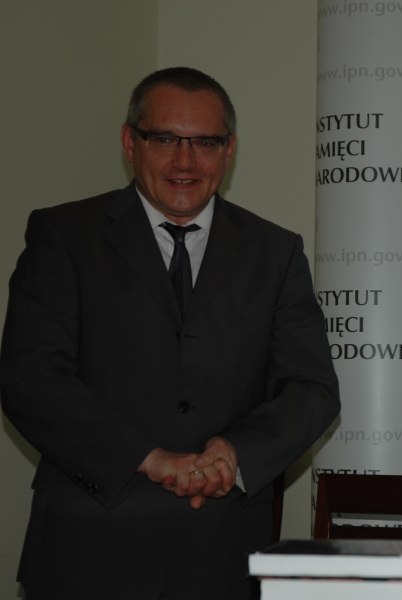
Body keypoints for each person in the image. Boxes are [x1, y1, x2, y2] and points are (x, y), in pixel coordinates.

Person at [0, 67, 340, 599]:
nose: (185, 162)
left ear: (229, 150)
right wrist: (148, 458)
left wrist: (235, 451)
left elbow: (312, 388)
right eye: (164, 139)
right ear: (129, 142)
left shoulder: (276, 253)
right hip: (87, 554)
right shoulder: (64, 236)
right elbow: (31, 379)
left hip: (223, 556)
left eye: (205, 142)